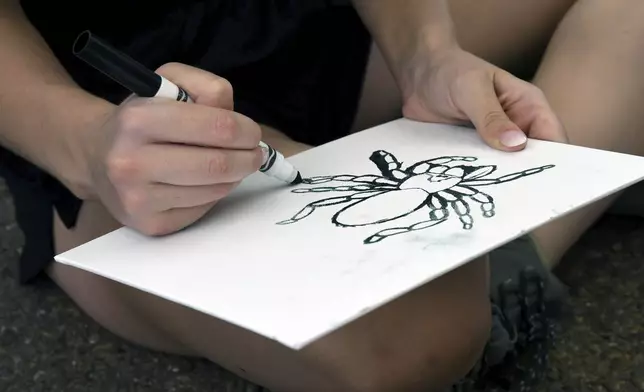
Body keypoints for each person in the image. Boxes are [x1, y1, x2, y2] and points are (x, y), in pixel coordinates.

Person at [1, 0, 643, 391]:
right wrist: (84, 142)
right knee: (411, 335)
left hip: (305, 21)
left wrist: (428, 55)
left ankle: (497, 265)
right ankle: (535, 228)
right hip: (105, 101)